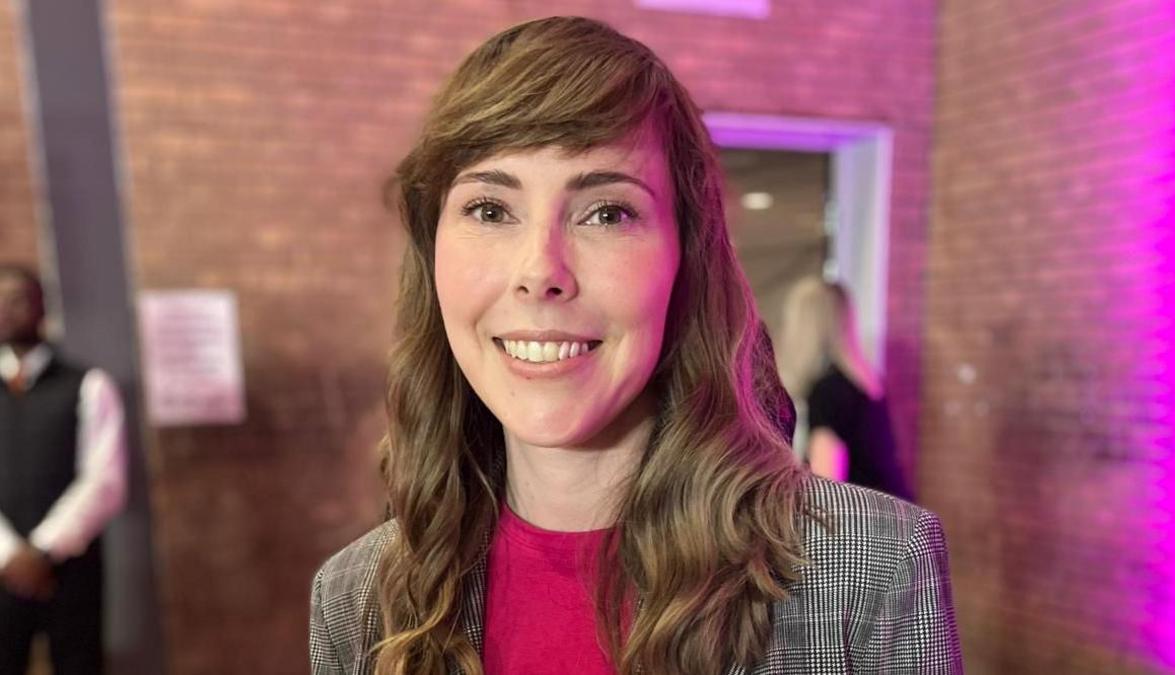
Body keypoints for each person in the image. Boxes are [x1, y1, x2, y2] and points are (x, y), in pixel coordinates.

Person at [310, 16, 959, 675]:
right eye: (490, 209)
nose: (540, 271)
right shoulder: (355, 600)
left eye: (607, 212)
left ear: (687, 260)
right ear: (432, 255)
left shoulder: (873, 569)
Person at [0, 264, 128, 674]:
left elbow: (105, 480)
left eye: (16, 300)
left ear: (42, 308)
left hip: (70, 567)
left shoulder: (88, 384)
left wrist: (42, 550)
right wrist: (9, 554)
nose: (4, 310)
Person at [775, 276, 913, 501]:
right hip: (891, 513)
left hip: (863, 522)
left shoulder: (828, 390)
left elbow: (827, 488)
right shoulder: (864, 382)